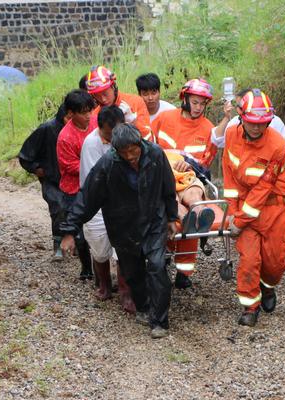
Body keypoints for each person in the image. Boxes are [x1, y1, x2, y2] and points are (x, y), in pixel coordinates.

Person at [60, 124, 179, 339]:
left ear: (140, 143)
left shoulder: (155, 155)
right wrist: (70, 230)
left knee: (157, 266)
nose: (130, 156)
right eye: (124, 153)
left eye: (134, 150)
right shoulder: (107, 165)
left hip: (153, 219)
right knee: (132, 272)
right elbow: (87, 198)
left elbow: (167, 186)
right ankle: (143, 307)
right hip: (122, 225)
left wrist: (171, 216)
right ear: (116, 151)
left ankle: (160, 321)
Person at [219, 89, 285, 327]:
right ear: (241, 116)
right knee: (249, 260)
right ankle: (250, 307)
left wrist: (241, 218)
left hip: (272, 210)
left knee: (275, 263)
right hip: (244, 211)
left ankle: (267, 287)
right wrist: (232, 213)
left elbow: (264, 188)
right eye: (252, 123)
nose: (257, 128)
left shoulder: (278, 146)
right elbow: (229, 177)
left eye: (262, 123)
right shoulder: (231, 135)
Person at [151, 78, 221, 288]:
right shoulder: (164, 119)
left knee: (194, 200)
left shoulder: (208, 128)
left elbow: (205, 166)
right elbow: (149, 148)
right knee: (171, 203)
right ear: (185, 99)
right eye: (195, 102)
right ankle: (182, 217)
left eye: (202, 104)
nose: (199, 108)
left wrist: (189, 166)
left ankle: (184, 272)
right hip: (164, 176)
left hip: (190, 177)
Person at [79, 106, 136, 313]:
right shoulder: (91, 144)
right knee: (100, 250)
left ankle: (125, 293)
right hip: (97, 204)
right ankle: (104, 285)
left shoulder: (130, 138)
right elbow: (94, 182)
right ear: (99, 129)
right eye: (107, 135)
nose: (111, 139)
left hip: (123, 204)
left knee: (123, 250)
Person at [19, 104, 68, 260]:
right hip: (52, 179)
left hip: (73, 178)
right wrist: (35, 168)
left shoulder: (81, 129)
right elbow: (25, 154)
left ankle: (78, 245)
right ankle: (58, 246)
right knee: (58, 208)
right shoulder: (47, 129)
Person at [56, 89, 97, 280]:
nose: (88, 115)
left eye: (90, 110)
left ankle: (100, 265)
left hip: (96, 185)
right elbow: (69, 165)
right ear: (71, 114)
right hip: (74, 189)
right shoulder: (65, 137)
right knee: (79, 232)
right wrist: (95, 165)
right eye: (83, 112)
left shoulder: (96, 124)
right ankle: (86, 267)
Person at [212, 88, 285, 153]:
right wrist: (226, 117)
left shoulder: (276, 123)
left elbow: (284, 154)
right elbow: (217, 141)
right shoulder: (235, 124)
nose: (256, 127)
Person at [85, 65, 152, 140]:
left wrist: (133, 122)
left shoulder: (135, 102)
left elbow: (149, 139)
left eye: (105, 93)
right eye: (97, 96)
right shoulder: (95, 116)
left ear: (113, 86)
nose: (103, 99)